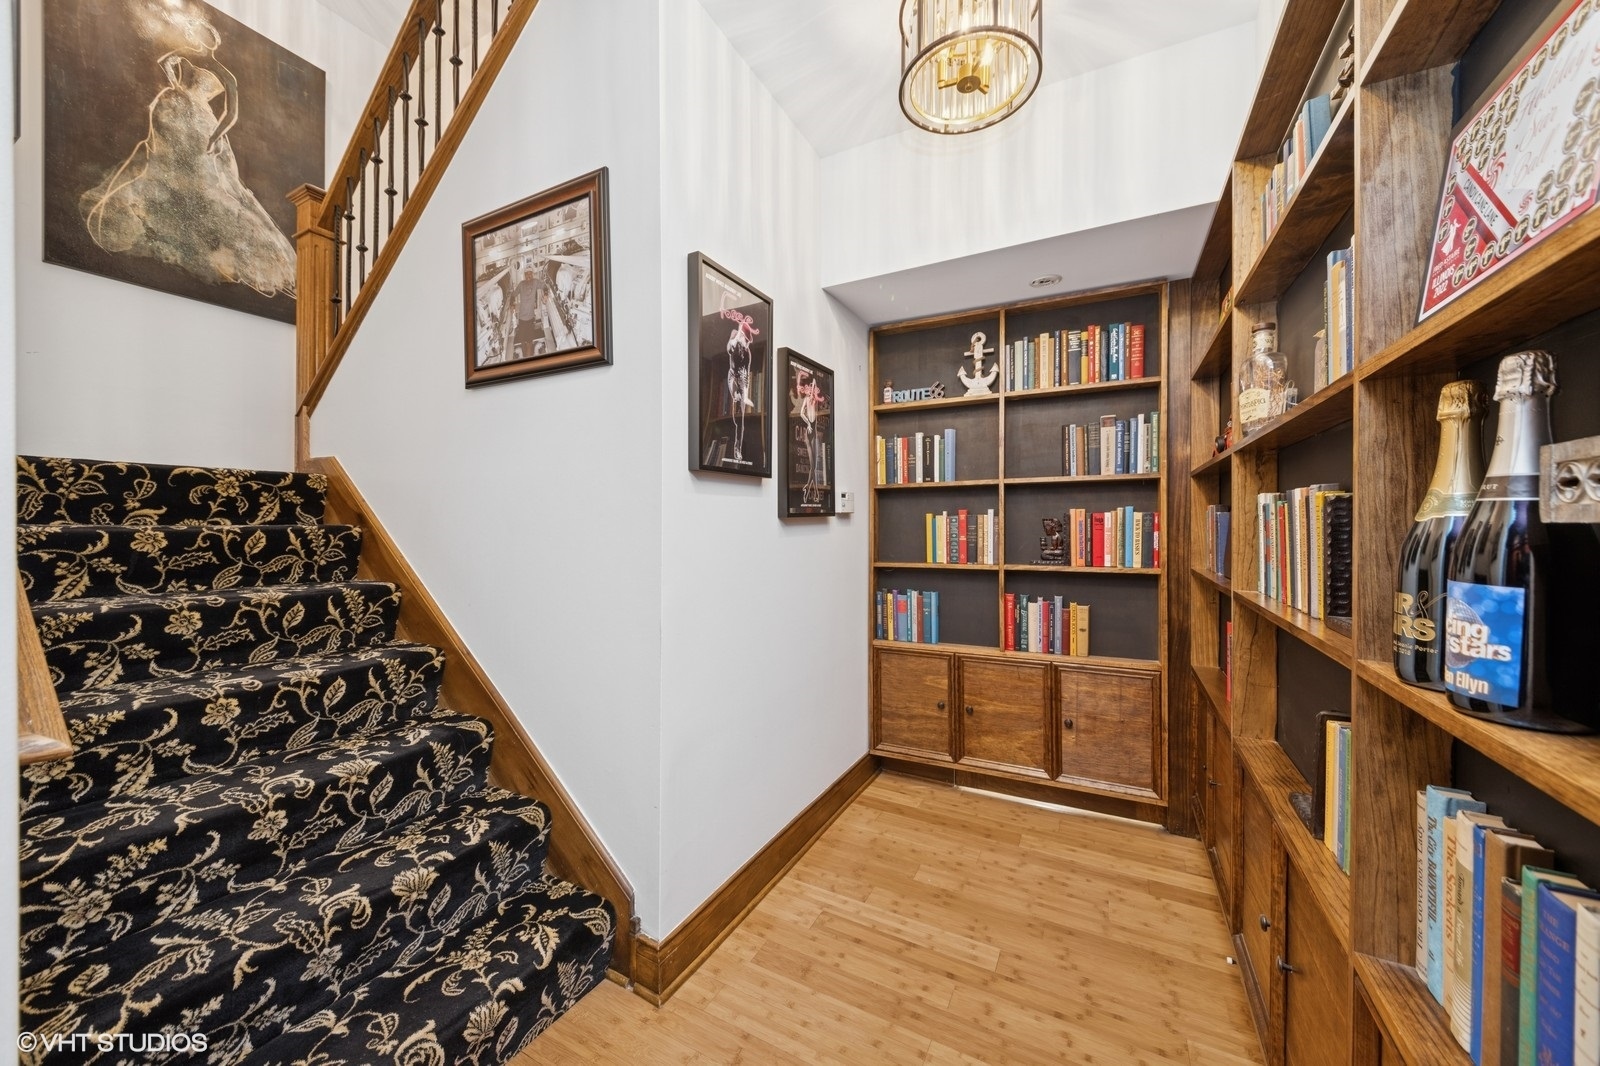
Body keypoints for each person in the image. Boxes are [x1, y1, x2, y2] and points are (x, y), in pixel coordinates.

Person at [79, 16, 295, 298]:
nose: (201, 40)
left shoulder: (224, 73)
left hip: (199, 121)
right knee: (162, 164)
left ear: (212, 41)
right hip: (173, 111)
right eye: (199, 34)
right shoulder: (186, 56)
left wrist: (215, 137)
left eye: (205, 36)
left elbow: (231, 115)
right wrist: (176, 89)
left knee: (206, 181)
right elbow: (164, 63)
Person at [513, 267, 543, 358]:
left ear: (532, 274)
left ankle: (529, 361)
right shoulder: (521, 284)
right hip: (521, 318)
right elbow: (513, 294)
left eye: (530, 274)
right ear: (524, 275)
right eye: (526, 274)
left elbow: (545, 286)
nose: (528, 276)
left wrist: (545, 294)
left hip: (530, 318)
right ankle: (524, 358)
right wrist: (511, 303)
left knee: (529, 342)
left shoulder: (535, 282)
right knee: (523, 341)